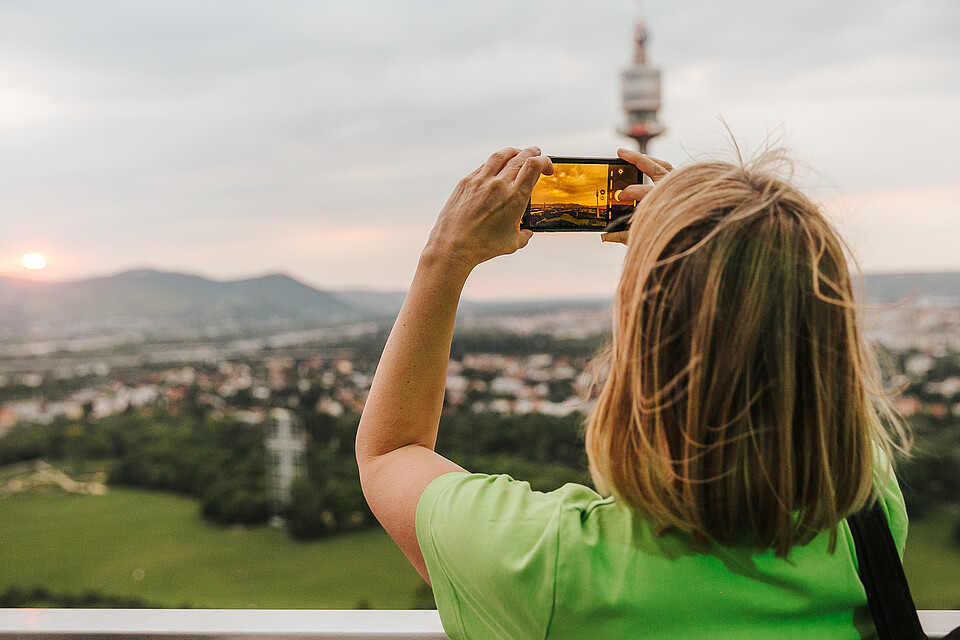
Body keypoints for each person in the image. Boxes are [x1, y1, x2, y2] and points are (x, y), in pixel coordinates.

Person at [355, 145, 910, 639]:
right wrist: (692, 243)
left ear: (642, 360)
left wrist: (444, 257)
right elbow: (809, 382)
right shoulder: (870, 511)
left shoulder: (550, 565)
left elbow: (390, 453)